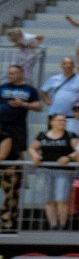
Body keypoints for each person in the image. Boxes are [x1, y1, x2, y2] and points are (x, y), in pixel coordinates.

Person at [0, 64, 41, 233]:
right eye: (9, 73)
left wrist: (22, 104)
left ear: (21, 73)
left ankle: (9, 220)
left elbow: (38, 106)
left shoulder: (29, 89)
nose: (11, 75)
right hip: (1, 128)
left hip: (17, 131)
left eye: (14, 73)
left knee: (13, 178)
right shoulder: (2, 88)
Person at [29, 113, 76, 228]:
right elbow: (31, 147)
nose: (62, 122)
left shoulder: (70, 135)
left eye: (64, 121)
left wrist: (68, 157)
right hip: (45, 171)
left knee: (61, 199)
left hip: (63, 171)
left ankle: (63, 226)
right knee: (48, 199)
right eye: (59, 120)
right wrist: (35, 155)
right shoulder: (42, 135)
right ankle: (53, 225)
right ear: (52, 122)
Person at [41, 57, 79, 137]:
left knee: (70, 140)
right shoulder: (54, 78)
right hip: (54, 114)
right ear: (61, 66)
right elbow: (43, 91)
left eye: (70, 64)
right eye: (65, 64)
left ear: (73, 66)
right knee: (53, 138)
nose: (67, 66)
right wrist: (47, 101)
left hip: (71, 116)